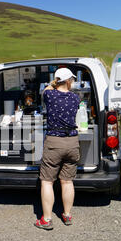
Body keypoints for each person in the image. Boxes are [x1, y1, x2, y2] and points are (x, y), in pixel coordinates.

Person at [34, 68, 80, 230]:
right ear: (68, 81)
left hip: (55, 141)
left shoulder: (49, 95)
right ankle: (67, 215)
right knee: (67, 181)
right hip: (72, 142)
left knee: (47, 181)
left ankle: (46, 220)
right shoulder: (76, 98)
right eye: (72, 80)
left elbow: (47, 89)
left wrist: (53, 83)